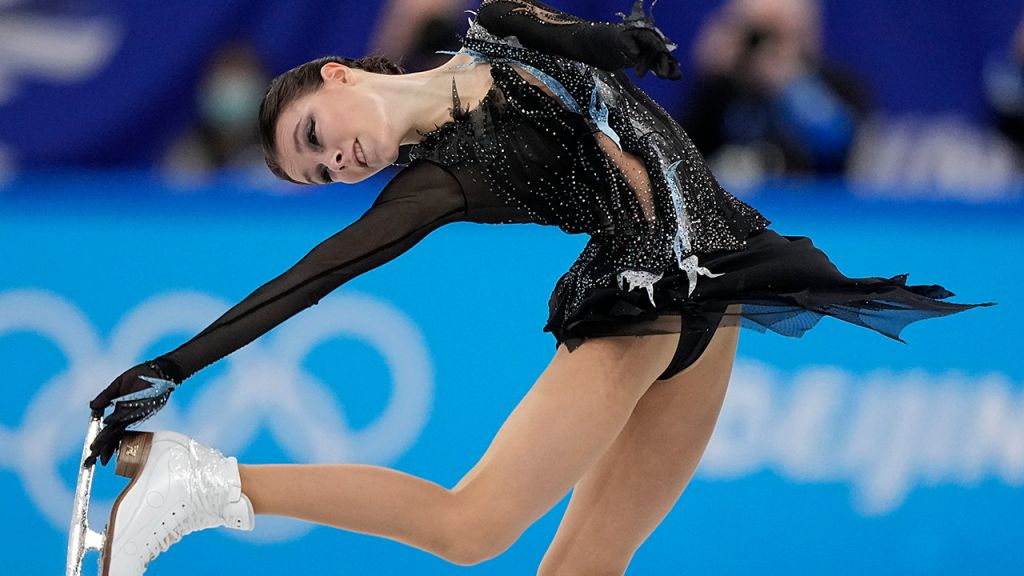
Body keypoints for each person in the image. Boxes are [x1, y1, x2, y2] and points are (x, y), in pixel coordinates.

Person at [84, 1, 991, 574]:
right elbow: (312, 278)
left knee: (592, 566)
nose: (337, 160)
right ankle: (199, 480)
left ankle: (194, 479)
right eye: (321, 173)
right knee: (471, 527)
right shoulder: (439, 181)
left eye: (317, 135)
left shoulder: (491, 28)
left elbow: (573, 42)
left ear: (340, 74)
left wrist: (629, 42)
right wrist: (171, 365)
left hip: (721, 282)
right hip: (638, 297)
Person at [680, 0, 870, 179]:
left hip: (810, 206)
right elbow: (683, 148)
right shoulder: (722, 88)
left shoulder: (836, 83)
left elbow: (839, 147)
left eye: (777, 34)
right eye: (758, 34)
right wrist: (708, 72)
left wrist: (789, 82)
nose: (765, 47)